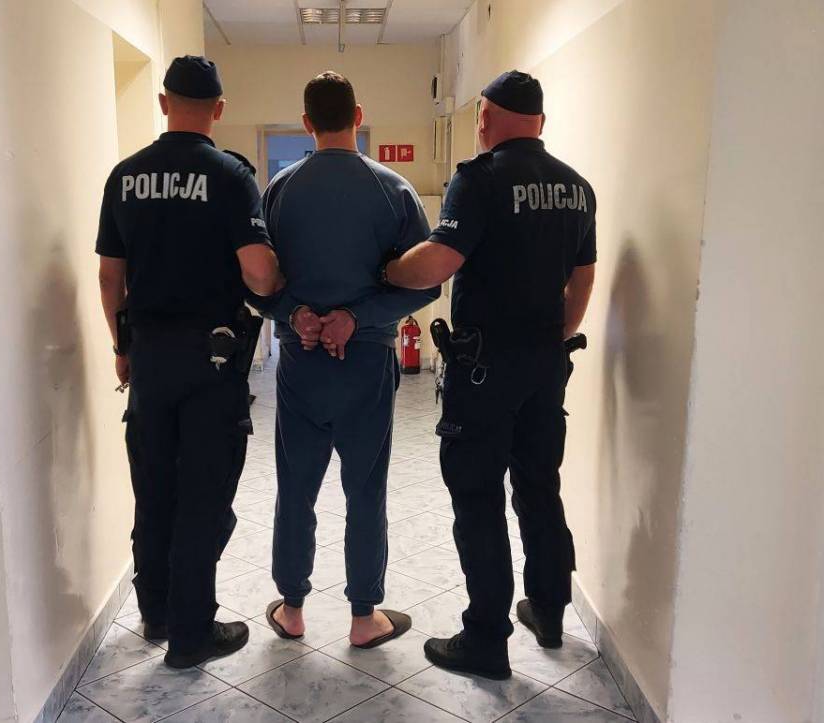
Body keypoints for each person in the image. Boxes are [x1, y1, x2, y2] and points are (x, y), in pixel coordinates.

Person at [383, 70, 596, 679]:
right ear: (540, 122)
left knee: (477, 497)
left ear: (484, 117)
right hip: (545, 364)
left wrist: (389, 270)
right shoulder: (577, 187)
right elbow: (582, 278)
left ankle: (485, 639)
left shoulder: (479, 179)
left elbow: (437, 264)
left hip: (483, 369)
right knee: (539, 486)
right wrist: (553, 338)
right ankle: (549, 611)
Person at [96, 55, 282, 668]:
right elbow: (259, 273)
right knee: (203, 492)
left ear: (162, 102)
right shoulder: (229, 175)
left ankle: (155, 611)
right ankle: (191, 632)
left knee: (153, 487)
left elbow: (110, 278)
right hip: (212, 358)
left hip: (148, 356)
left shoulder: (124, 177)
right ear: (219, 109)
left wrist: (122, 348)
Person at [253, 72, 439, 647]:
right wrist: (356, 318)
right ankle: (363, 617)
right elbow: (427, 282)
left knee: (296, 486)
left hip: (301, 361)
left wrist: (298, 315)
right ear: (357, 116)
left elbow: (256, 281)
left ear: (307, 123)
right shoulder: (394, 190)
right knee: (365, 489)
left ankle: (292, 608)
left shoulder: (279, 190)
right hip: (366, 364)